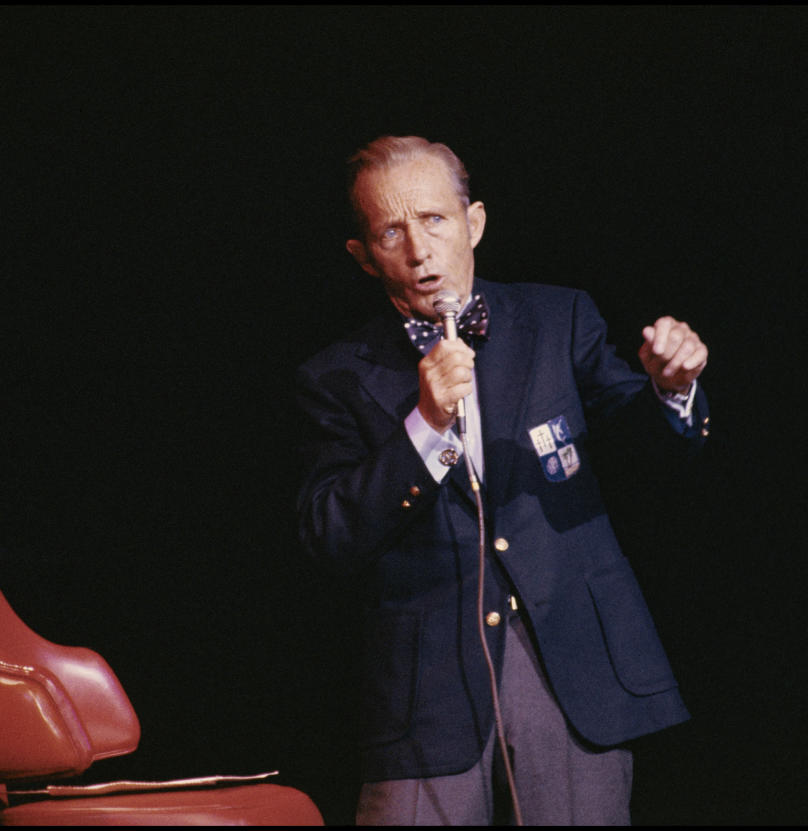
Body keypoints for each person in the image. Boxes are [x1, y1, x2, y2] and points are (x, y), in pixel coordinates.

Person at [294, 135, 709, 825]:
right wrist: (423, 426)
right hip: (424, 699)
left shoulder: (556, 318)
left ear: (473, 222)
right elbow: (328, 535)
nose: (420, 250)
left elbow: (653, 462)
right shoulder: (334, 375)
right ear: (362, 255)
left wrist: (671, 390)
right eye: (391, 230)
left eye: (434, 220)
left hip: (571, 669)